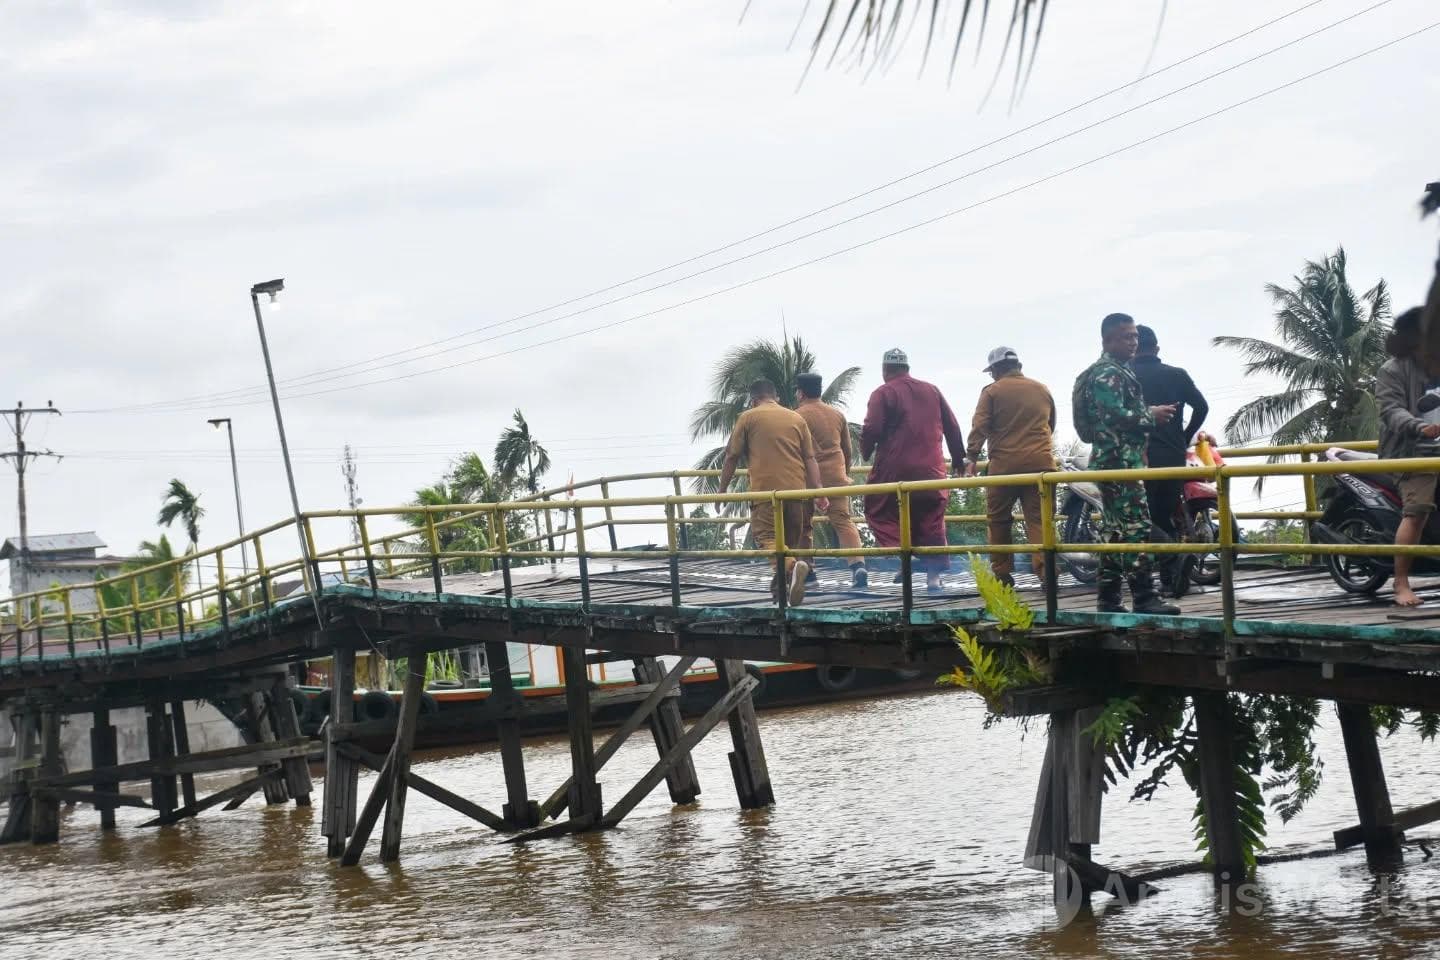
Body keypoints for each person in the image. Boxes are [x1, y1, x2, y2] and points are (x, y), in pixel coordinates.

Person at [1072, 314, 1180, 614]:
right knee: (1135, 527)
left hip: (1119, 461)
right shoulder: (1108, 373)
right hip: (1118, 462)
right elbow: (1112, 415)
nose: (1133, 342)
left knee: (1114, 532)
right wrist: (1151, 415)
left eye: (1134, 336)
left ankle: (1108, 599)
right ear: (1107, 340)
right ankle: (1145, 597)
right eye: (1125, 337)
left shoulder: (1117, 371)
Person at [860, 348, 967, 593]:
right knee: (932, 520)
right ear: (907, 368)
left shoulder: (883, 392)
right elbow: (952, 424)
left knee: (878, 509)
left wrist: (865, 451)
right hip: (932, 470)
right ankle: (933, 579)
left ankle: (905, 559)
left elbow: (872, 428)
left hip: (894, 471)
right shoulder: (932, 390)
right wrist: (958, 458)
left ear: (885, 370)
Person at [718, 379, 829, 606]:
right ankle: (780, 595)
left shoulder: (747, 418)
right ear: (776, 397)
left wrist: (722, 490)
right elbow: (810, 458)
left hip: (766, 495)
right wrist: (819, 491)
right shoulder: (796, 418)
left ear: (753, 400)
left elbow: (731, 456)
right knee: (787, 546)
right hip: (797, 494)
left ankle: (793, 568)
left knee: (767, 540)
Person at [963, 347, 1056, 586]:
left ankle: (1002, 574)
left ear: (996, 369)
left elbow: (980, 426)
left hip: (1005, 468)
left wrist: (971, 457)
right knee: (1040, 519)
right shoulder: (1042, 389)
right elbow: (1050, 424)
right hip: (1041, 466)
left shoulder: (992, 391)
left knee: (999, 520)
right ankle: (1047, 573)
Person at [1376, 306, 1440, 607]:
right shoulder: (1393, 370)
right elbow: (1391, 410)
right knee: (1418, 510)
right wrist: (1421, 427)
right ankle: (1400, 583)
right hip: (1412, 451)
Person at [1132, 325, 1209, 541]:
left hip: (1137, 457)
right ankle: (1174, 569)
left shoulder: (1125, 377)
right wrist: (1185, 436)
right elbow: (1202, 407)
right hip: (1172, 455)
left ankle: (1163, 562)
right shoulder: (1177, 374)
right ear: (1156, 349)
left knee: (1143, 518)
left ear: (1133, 348)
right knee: (1165, 514)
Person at [794, 372, 868, 588]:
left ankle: (809, 573)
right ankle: (857, 566)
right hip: (836, 474)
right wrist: (845, 474)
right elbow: (847, 449)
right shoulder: (836, 414)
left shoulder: (797, 416)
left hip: (808, 478)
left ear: (800, 393)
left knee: (803, 525)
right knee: (843, 522)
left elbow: (796, 452)